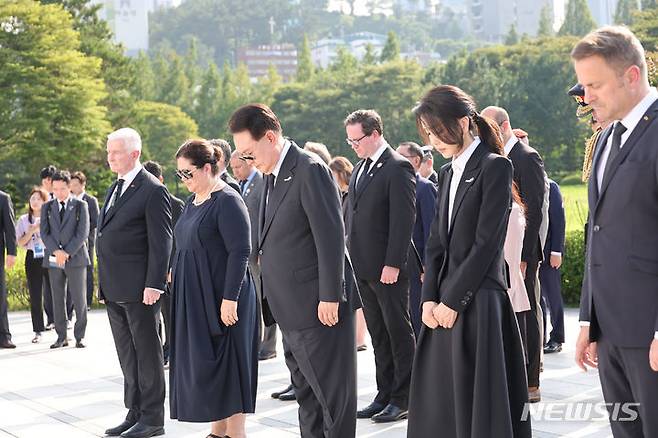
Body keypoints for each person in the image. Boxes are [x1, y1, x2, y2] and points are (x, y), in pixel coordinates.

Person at [407, 84, 531, 438]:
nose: (433, 141)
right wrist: (430, 298)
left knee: (479, 409)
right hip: (442, 304)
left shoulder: (495, 167)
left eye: (438, 131)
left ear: (463, 123)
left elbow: (486, 244)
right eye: (428, 133)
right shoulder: (446, 173)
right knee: (440, 403)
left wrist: (452, 300)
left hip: (479, 303)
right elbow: (435, 243)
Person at [230, 103, 359, 438]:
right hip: (289, 307)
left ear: (270, 137)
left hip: (318, 307)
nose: (246, 160)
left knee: (332, 398)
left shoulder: (308, 169)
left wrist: (331, 295)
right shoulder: (269, 176)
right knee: (307, 395)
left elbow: (330, 236)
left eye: (248, 152)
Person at [573, 26, 658, 438]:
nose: (586, 97)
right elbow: (599, 234)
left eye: (594, 85)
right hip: (610, 333)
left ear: (631, 75)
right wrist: (589, 321)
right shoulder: (606, 137)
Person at [169, 139, 257, 438]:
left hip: (224, 297)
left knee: (229, 364)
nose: (184, 180)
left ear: (207, 168)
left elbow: (240, 251)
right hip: (197, 298)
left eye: (188, 173)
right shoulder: (193, 201)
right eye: (179, 174)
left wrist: (230, 298)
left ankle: (235, 433)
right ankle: (217, 431)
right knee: (209, 367)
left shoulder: (228, 199)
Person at [98, 128, 172, 438]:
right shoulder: (115, 187)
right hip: (115, 288)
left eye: (116, 151)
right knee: (127, 354)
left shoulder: (152, 189)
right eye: (108, 151)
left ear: (134, 154)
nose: (109, 156)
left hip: (141, 290)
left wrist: (154, 283)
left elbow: (162, 241)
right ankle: (135, 410)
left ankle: (153, 418)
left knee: (147, 354)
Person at [345, 110, 416, 423]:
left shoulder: (398, 166)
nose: (353, 146)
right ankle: (384, 393)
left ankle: (404, 398)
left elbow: (404, 220)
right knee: (378, 334)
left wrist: (393, 263)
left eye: (357, 140)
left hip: (388, 269)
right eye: (349, 142)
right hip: (363, 267)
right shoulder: (361, 166)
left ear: (374, 134)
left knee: (398, 332)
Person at [482, 105, 546, 403]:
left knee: (528, 310)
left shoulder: (525, 156)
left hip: (522, 251)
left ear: (504, 126)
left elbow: (534, 209)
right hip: (502, 250)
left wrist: (523, 254)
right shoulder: (494, 159)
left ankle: (531, 380)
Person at [229, 150, 276, 361]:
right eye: (232, 168)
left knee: (263, 298)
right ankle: (255, 341)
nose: (235, 171)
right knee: (251, 300)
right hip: (243, 254)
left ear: (249, 164)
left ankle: (268, 345)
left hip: (258, 253)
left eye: (238, 167)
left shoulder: (262, 182)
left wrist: (261, 249)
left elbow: (265, 218)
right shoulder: (238, 186)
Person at [40, 170, 90, 349]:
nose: (59, 192)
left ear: (69, 187)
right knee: (57, 298)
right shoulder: (47, 207)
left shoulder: (79, 205)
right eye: (55, 189)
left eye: (62, 188)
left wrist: (66, 252)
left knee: (79, 298)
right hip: (54, 259)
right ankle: (61, 336)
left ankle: (80, 336)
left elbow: (83, 232)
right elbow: (44, 233)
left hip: (76, 258)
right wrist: (56, 251)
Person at [142, 160, 185, 367]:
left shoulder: (176, 204)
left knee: (169, 314)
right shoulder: (140, 204)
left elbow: (177, 239)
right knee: (152, 316)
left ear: (160, 180)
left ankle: (172, 350)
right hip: (146, 270)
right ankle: (157, 351)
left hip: (169, 271)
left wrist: (170, 267)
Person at [396, 141, 437, 337]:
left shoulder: (425, 188)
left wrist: (428, 265)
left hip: (419, 266)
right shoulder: (395, 186)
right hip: (399, 263)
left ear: (416, 160)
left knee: (419, 316)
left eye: (401, 156)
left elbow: (431, 228)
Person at [329, 156, 368, 352]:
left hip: (356, 250)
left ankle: (359, 339)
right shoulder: (341, 194)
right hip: (347, 250)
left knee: (359, 301)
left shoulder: (352, 193)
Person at [15, 188, 50, 343]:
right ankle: (38, 330)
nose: (35, 201)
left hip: (50, 255)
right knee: (35, 295)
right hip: (32, 257)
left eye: (38, 198)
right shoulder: (23, 220)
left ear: (45, 201)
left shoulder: (50, 217)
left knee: (55, 292)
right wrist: (31, 232)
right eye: (32, 198)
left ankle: (58, 325)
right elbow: (20, 242)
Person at [541, 179, 566, 354]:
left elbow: (558, 221)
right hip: (531, 254)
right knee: (536, 299)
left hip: (549, 253)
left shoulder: (551, 186)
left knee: (553, 297)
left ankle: (557, 337)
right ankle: (540, 337)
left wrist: (556, 251)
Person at [70, 171, 99, 309]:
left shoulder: (90, 200)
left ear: (83, 185)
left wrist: (81, 228)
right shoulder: (69, 200)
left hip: (87, 239)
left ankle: (87, 302)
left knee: (87, 268)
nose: (73, 187)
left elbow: (95, 221)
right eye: (71, 184)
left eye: (76, 184)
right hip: (70, 241)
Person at [0, 189, 17, 349]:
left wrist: (12, 252)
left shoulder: (3, 198)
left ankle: (4, 336)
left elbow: (10, 227)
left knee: (0, 296)